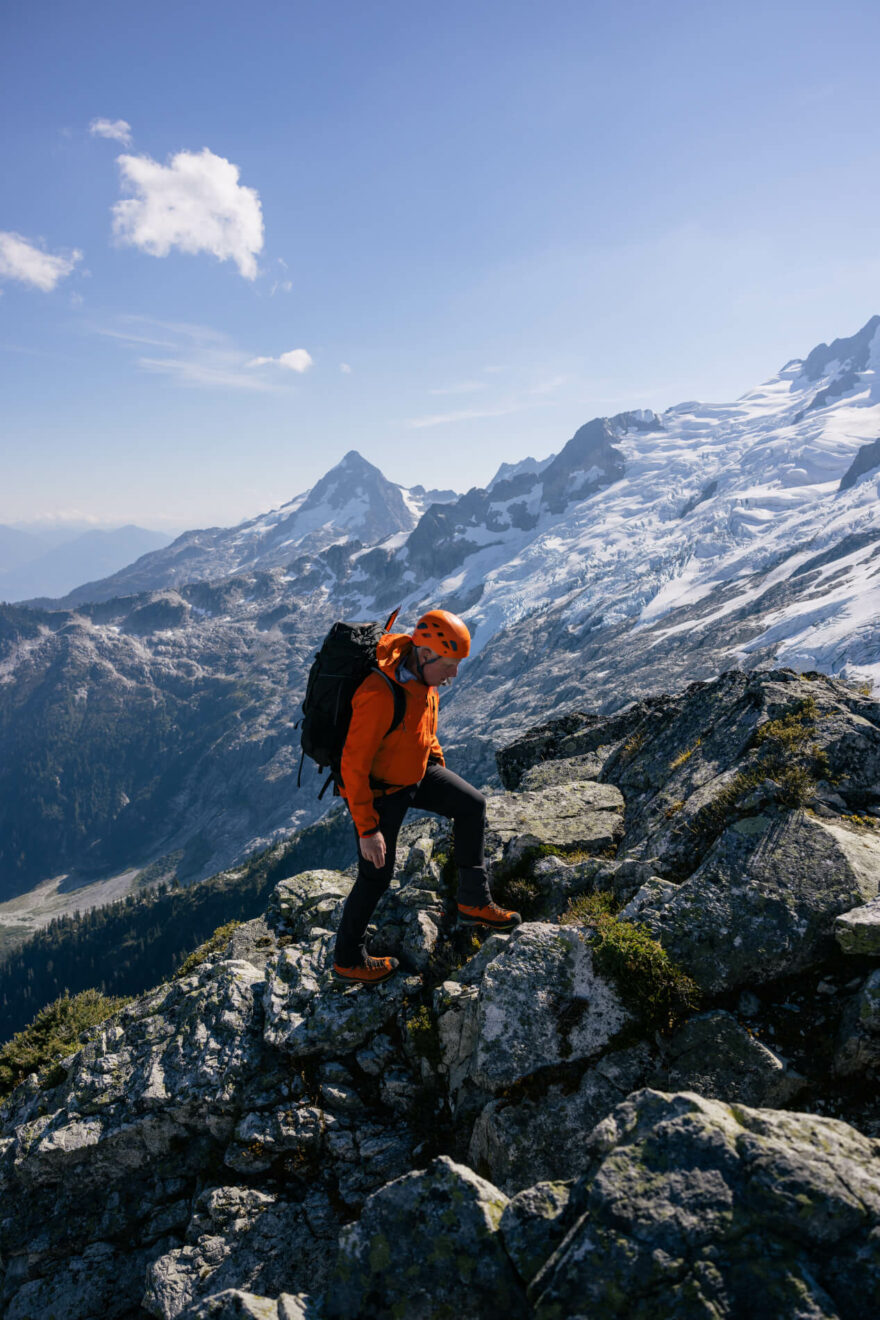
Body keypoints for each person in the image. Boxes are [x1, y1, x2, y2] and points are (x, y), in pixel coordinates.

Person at [332, 609, 521, 983]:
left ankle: (473, 900)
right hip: (381, 792)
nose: (454, 674)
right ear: (424, 654)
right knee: (375, 877)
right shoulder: (378, 692)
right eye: (449, 665)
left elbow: (424, 725)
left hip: (414, 774)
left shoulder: (426, 678)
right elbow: (353, 766)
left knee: (471, 805)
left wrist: (435, 762)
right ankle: (347, 959)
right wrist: (368, 830)